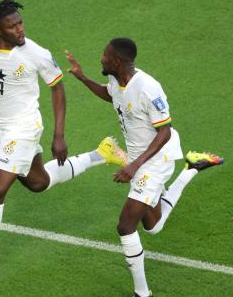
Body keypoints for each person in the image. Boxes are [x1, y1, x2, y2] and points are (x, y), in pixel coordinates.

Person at [0, 0, 127, 289]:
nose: (20, 30)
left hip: (24, 130)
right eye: (12, 26)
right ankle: (102, 153)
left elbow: (57, 88)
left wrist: (59, 135)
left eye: (20, 23)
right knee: (38, 183)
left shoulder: (36, 54)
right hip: (2, 130)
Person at [65, 38, 224, 297]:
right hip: (141, 159)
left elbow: (165, 131)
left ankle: (142, 293)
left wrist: (134, 165)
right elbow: (110, 95)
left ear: (117, 61)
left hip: (156, 159)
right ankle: (192, 168)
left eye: (104, 55)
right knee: (153, 225)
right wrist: (82, 78)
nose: (101, 58)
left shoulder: (149, 88)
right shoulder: (117, 80)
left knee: (125, 225)